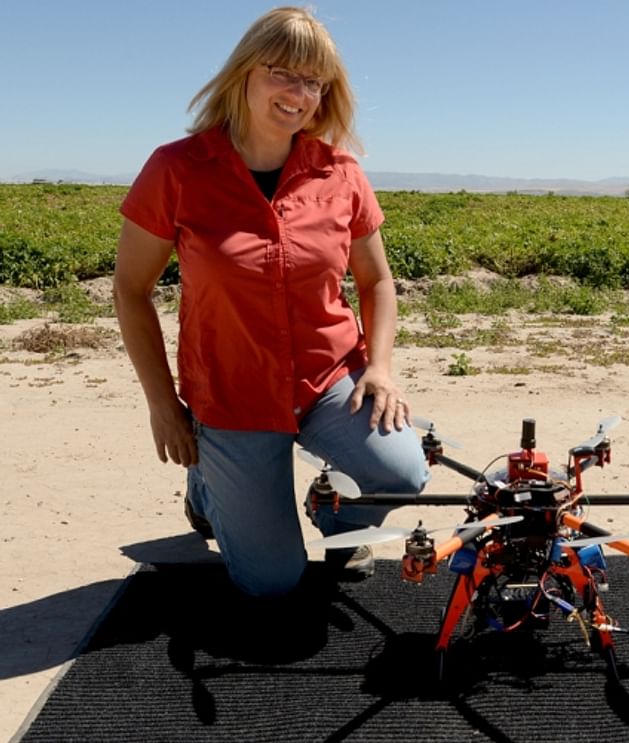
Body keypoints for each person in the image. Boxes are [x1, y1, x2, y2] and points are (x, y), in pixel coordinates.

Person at [113, 6, 430, 597]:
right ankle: (207, 485)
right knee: (271, 582)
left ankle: (335, 514)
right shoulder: (176, 170)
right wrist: (163, 404)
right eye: (283, 72)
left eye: (314, 81)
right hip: (232, 394)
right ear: (243, 74)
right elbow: (131, 291)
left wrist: (381, 370)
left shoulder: (341, 174)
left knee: (404, 471)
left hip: (328, 378)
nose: (300, 92)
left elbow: (378, 282)